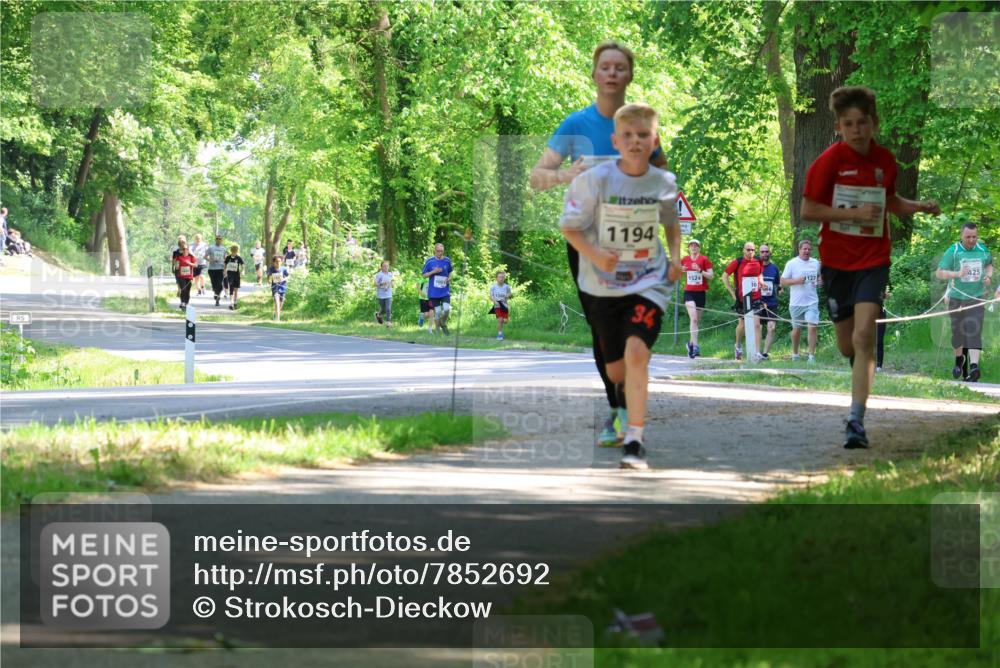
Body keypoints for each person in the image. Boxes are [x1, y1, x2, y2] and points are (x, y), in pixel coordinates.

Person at [531, 41, 668, 448]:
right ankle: (618, 410)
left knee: (633, 326)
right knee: (602, 327)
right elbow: (537, 177)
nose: (611, 73)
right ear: (594, 74)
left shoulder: (641, 124)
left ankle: (627, 409)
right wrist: (567, 174)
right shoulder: (576, 125)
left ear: (629, 76)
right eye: (605, 67)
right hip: (589, 243)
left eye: (620, 67)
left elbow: (665, 180)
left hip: (636, 243)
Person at [801, 85, 940, 448]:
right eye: (848, 124)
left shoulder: (886, 161)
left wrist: (919, 206)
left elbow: (889, 201)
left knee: (865, 336)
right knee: (848, 346)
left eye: (862, 122)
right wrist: (853, 214)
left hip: (873, 260)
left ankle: (856, 419)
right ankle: (856, 374)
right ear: (838, 128)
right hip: (836, 262)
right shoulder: (829, 162)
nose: (856, 130)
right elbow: (809, 210)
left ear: (874, 124)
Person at [560, 102, 681, 470]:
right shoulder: (595, 180)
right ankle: (620, 399)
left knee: (637, 353)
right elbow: (570, 227)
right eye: (627, 136)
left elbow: (670, 223)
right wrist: (596, 255)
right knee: (616, 370)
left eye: (643, 136)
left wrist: (675, 257)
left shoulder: (663, 183)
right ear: (615, 140)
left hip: (648, 281)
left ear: (654, 140)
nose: (635, 142)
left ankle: (634, 441)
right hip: (602, 286)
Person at [935, 222, 992, 382]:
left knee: (975, 330)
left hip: (977, 297)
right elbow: (939, 273)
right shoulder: (953, 251)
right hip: (957, 297)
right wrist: (957, 274)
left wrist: (988, 276)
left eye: (974, 237)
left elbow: (989, 265)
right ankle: (959, 359)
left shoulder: (982, 250)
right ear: (961, 236)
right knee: (957, 335)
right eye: (968, 237)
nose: (971, 240)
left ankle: (974, 367)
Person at [781, 238, 822, 363]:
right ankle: (795, 354)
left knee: (812, 326)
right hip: (796, 302)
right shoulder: (791, 263)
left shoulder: (815, 263)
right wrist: (796, 281)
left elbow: (820, 277)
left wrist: (820, 281)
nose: (807, 251)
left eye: (809, 249)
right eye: (805, 249)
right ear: (799, 249)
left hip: (812, 301)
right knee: (796, 330)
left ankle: (811, 357)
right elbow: (782, 281)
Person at [723, 243, 764, 361]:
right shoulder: (738, 262)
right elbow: (724, 276)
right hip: (742, 298)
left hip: (756, 297)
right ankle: (738, 345)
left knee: (757, 324)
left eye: (752, 250)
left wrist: (762, 282)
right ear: (743, 250)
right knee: (743, 325)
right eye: (748, 249)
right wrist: (732, 293)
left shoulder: (758, 261)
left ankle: (757, 353)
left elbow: (759, 274)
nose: (750, 252)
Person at [680, 239, 713, 358]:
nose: (693, 247)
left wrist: (699, 270)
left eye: (696, 245)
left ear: (699, 248)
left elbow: (711, 275)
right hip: (689, 292)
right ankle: (695, 347)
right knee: (693, 319)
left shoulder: (704, 259)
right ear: (688, 248)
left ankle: (690, 344)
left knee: (696, 322)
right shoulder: (684, 259)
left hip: (701, 293)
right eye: (691, 245)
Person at [422, 243, 453, 335]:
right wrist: (433, 271)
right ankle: (438, 331)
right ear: (435, 251)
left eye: (441, 251)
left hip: (444, 291)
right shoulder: (430, 261)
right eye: (438, 251)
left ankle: (443, 322)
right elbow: (424, 275)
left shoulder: (447, 260)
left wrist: (449, 278)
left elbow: (450, 272)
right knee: (438, 312)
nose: (440, 253)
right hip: (434, 292)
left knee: (447, 309)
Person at [172, 240, 196, 310]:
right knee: (183, 289)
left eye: (186, 249)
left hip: (189, 277)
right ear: (182, 250)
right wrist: (176, 266)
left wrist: (189, 263)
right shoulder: (178, 257)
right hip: (181, 276)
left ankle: (186, 303)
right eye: (183, 249)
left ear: (188, 250)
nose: (185, 250)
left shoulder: (191, 257)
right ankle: (182, 302)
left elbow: (195, 265)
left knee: (187, 291)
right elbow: (175, 265)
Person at [490, 271, 513, 341]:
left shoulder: (506, 287)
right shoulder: (493, 287)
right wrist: (494, 301)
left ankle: (507, 317)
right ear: (496, 278)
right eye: (499, 277)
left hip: (505, 306)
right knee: (500, 320)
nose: (501, 278)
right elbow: (491, 296)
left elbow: (510, 294)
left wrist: (507, 295)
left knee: (505, 321)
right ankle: (500, 334)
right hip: (497, 306)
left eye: (503, 277)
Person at [206, 234, 227, 306]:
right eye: (217, 238)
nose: (218, 240)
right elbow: (205, 256)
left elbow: (226, 260)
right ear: (215, 240)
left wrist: (225, 269)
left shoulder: (224, 249)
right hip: (212, 269)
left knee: (220, 284)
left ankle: (217, 297)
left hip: (220, 268)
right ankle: (216, 292)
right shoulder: (211, 248)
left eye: (220, 239)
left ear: (221, 240)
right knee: (214, 284)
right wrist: (211, 260)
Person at [268, 255, 289, 321]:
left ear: (281, 262)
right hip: (275, 288)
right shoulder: (271, 269)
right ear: (274, 262)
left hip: (283, 288)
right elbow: (268, 276)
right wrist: (268, 280)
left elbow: (288, 276)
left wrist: (284, 278)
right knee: (277, 302)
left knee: (280, 304)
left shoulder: (284, 269)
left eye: (279, 261)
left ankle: (276, 314)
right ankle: (278, 319)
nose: (278, 263)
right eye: (276, 261)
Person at [224, 244, 245, 310]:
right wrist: (224, 271)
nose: (234, 252)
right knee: (231, 288)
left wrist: (243, 270)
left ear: (237, 251)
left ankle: (235, 301)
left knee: (236, 289)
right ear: (231, 251)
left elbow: (243, 264)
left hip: (237, 275)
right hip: (230, 275)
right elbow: (225, 264)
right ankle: (231, 303)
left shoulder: (238, 258)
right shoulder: (228, 257)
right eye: (233, 251)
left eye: (235, 251)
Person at [374, 260, 394, 327]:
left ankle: (388, 322)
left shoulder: (390, 274)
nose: (386, 267)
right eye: (384, 266)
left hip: (388, 294)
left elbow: (392, 282)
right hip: (381, 295)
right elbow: (375, 284)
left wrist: (392, 284)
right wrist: (382, 283)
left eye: (387, 266)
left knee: (388, 308)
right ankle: (378, 314)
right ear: (381, 267)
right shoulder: (379, 275)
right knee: (383, 309)